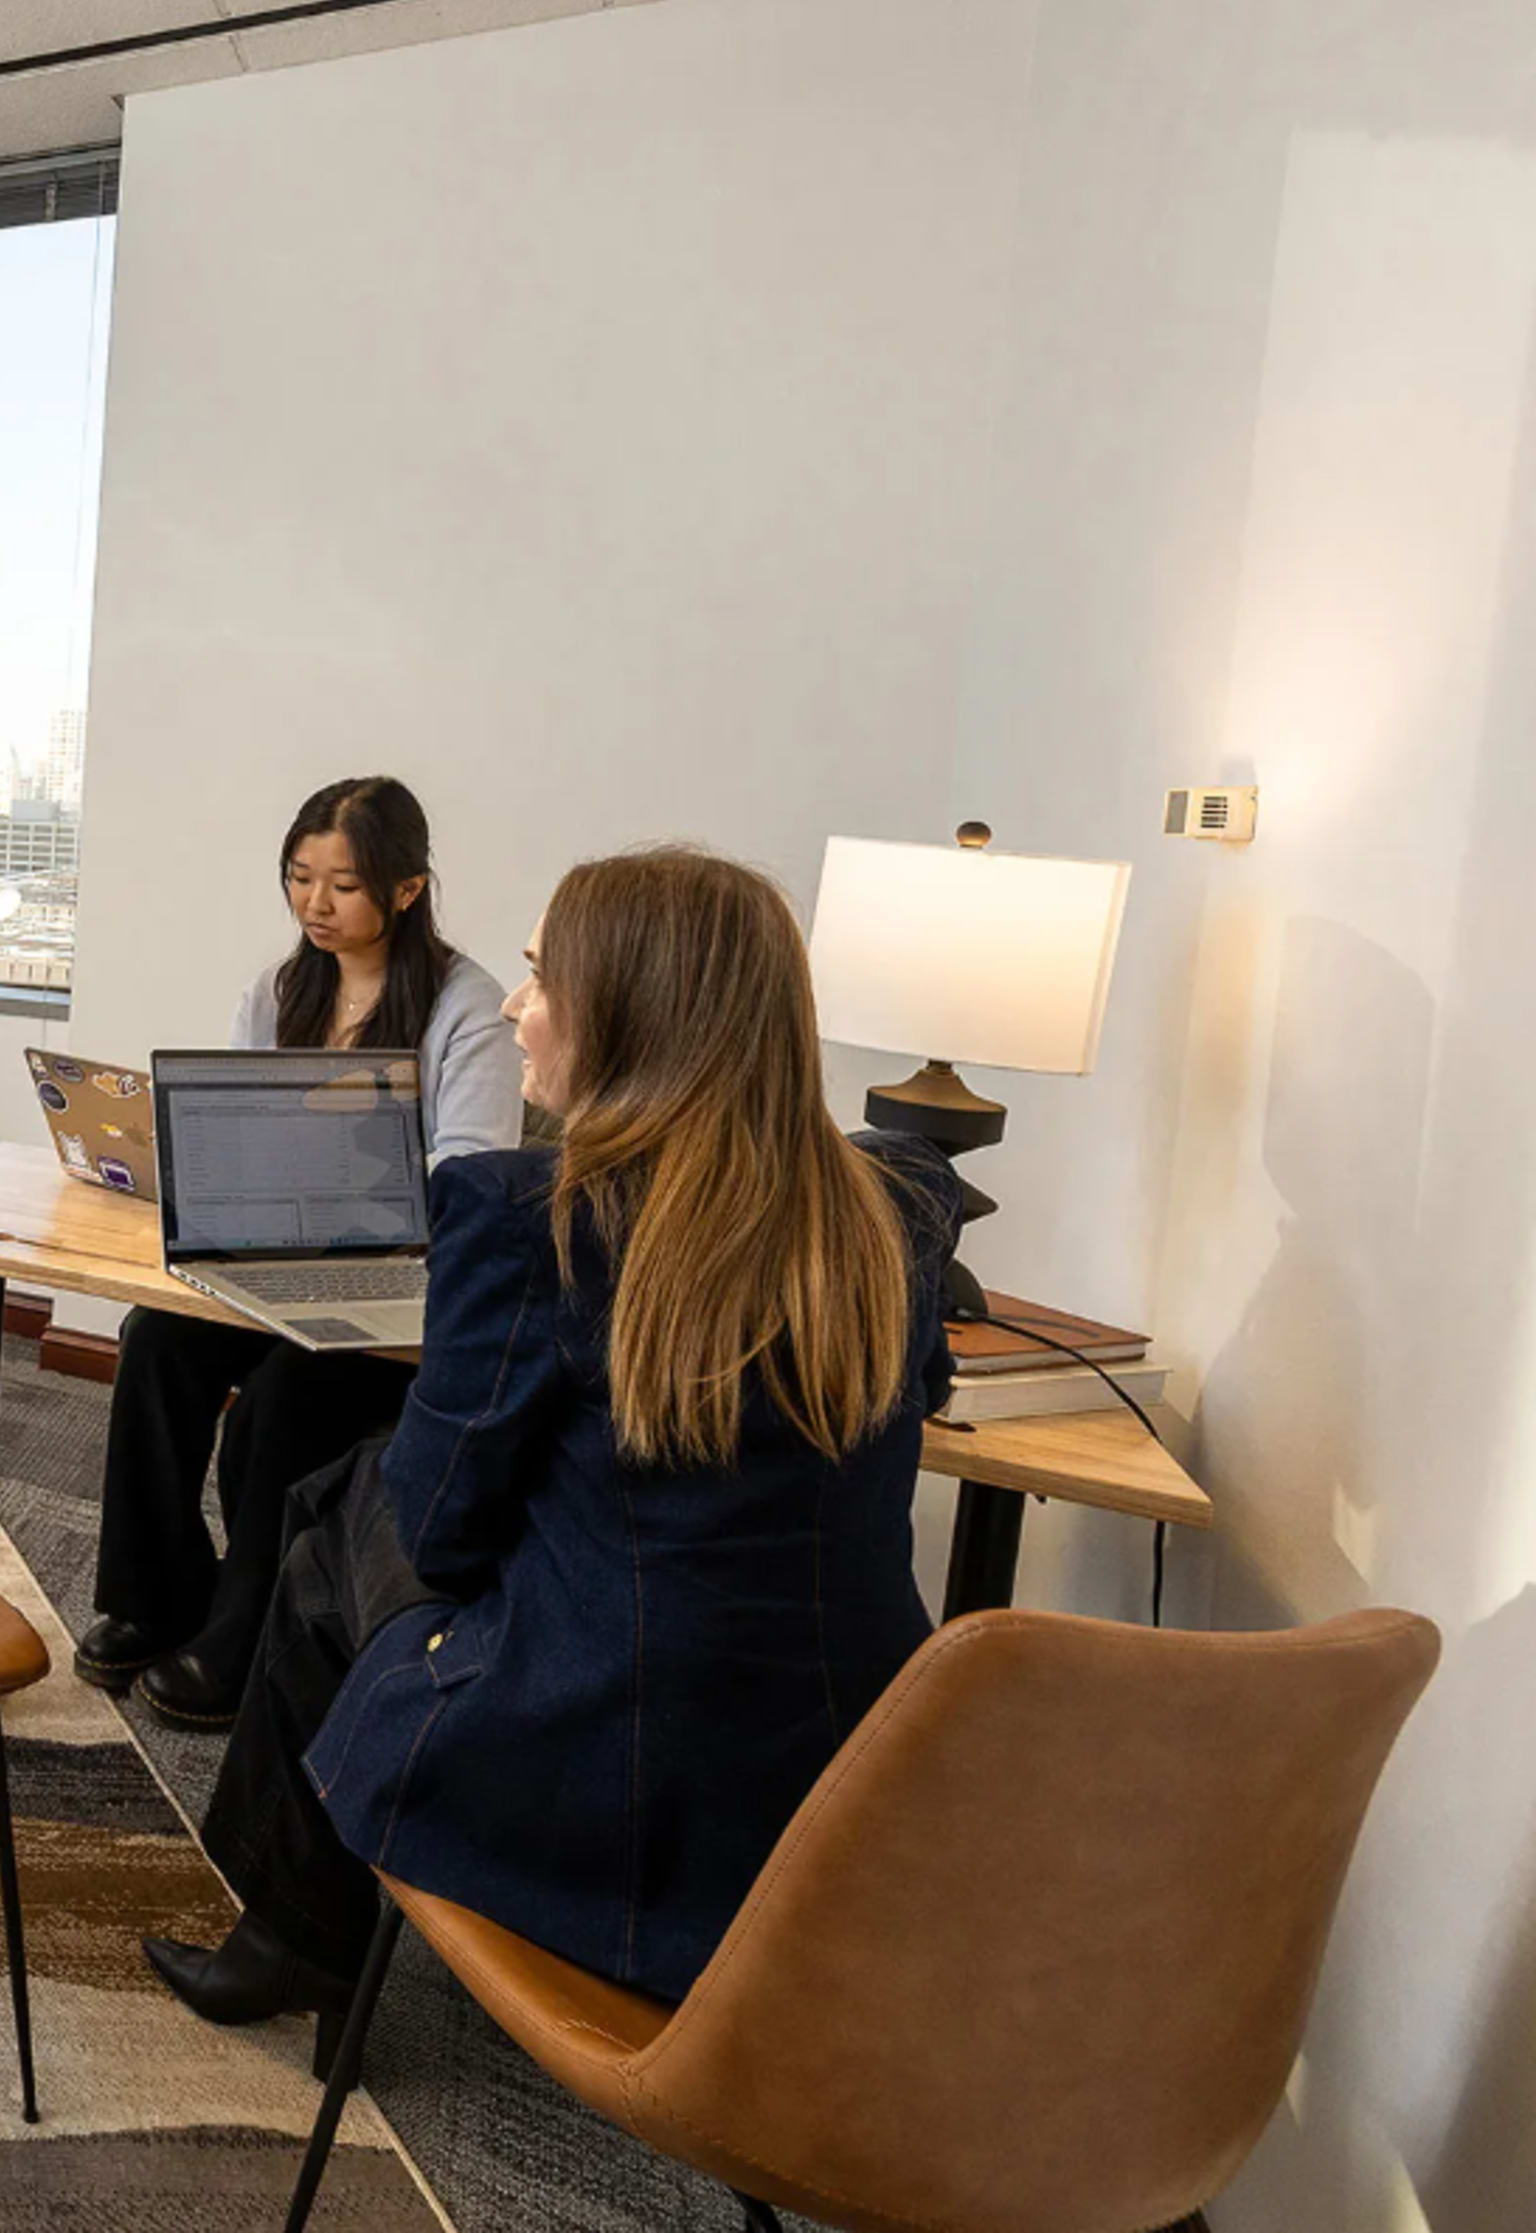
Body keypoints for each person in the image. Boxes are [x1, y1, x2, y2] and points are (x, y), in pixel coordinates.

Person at [142, 845, 961, 2025]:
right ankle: (288, 1923)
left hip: (590, 1752)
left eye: (542, 980)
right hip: (849, 1762)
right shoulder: (900, 1204)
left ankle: (294, 1936)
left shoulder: (535, 1219)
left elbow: (438, 1525)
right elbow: (917, 1391)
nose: (517, 1011)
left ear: (627, 1016)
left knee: (337, 1512)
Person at [75, 776, 523, 1729]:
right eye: (299, 877)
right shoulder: (280, 988)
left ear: (407, 889)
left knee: (283, 1397)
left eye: (343, 885)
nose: (314, 905)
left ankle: (243, 1639)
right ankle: (154, 1598)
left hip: (405, 1281)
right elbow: (239, 1119)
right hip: (271, 1249)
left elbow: (474, 1174)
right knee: (157, 1339)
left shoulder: (466, 1007)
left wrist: (350, 1175)